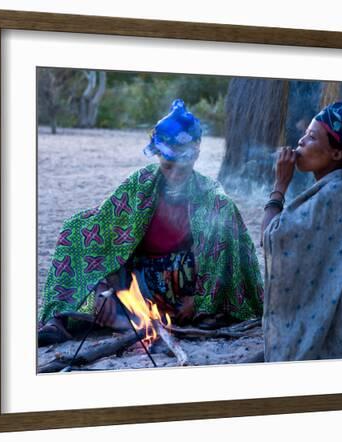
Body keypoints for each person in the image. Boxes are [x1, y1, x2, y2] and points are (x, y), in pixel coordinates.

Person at [38, 99, 264, 345]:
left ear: (196, 157)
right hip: (141, 283)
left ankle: (203, 313)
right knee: (74, 229)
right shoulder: (140, 184)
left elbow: (223, 255)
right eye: (168, 166)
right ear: (157, 157)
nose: (175, 174)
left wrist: (196, 298)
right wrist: (106, 282)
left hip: (187, 289)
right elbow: (106, 233)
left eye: (182, 167)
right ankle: (58, 320)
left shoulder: (212, 197)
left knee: (224, 217)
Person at [260, 101, 342, 362]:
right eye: (305, 134)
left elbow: (270, 237)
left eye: (312, 137)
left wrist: (280, 184)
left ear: (337, 154)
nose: (301, 141)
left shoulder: (333, 195)